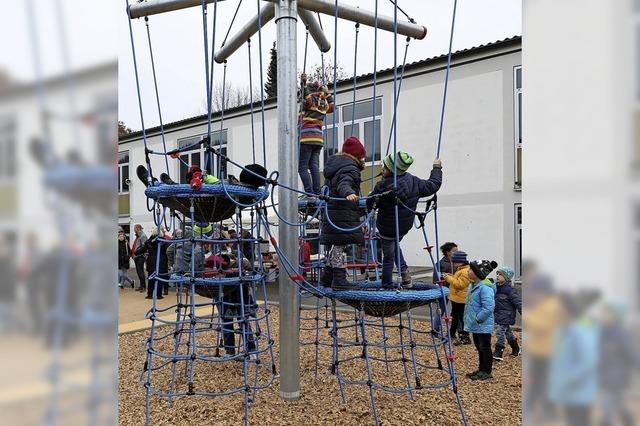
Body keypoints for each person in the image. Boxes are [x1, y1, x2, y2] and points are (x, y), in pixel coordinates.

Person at [367, 151, 442, 289]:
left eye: (385, 167)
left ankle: (386, 285)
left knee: (388, 256)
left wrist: (371, 195)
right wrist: (436, 168)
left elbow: (370, 204)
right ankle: (404, 272)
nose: (382, 169)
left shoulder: (382, 187)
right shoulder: (414, 181)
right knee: (395, 245)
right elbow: (434, 184)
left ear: (392, 170)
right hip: (404, 227)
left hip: (387, 229)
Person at [319, 137, 366, 291]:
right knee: (340, 246)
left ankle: (327, 276)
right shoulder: (350, 167)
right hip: (342, 213)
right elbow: (344, 183)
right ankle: (339, 279)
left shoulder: (335, 165)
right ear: (356, 156)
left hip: (334, 212)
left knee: (336, 245)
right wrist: (349, 193)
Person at [599, 301, 639, 426]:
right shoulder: (601, 333)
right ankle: (628, 420)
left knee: (607, 409)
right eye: (603, 312)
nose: (603, 316)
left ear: (616, 316)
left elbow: (632, 354)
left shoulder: (622, 334)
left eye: (607, 313)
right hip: (605, 377)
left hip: (618, 378)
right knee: (619, 405)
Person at [298, 74, 334, 197]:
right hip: (318, 139)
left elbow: (307, 100)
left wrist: (303, 84)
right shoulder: (323, 103)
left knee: (302, 167)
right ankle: (317, 192)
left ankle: (309, 193)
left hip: (307, 137)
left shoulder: (310, 101)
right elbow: (332, 107)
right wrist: (328, 94)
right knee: (314, 165)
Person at [463, 259, 498, 380]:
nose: (468, 271)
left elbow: (488, 307)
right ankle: (481, 369)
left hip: (482, 325)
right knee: (479, 347)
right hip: (475, 324)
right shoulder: (473, 285)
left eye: (471, 269)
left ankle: (487, 372)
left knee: (485, 347)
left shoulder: (485, 288)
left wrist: (478, 319)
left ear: (478, 273)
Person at [492, 266, 522, 360]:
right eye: (497, 274)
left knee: (500, 332)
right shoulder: (496, 288)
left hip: (507, 315)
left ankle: (498, 351)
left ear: (506, 278)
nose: (497, 276)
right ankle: (515, 348)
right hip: (499, 315)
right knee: (508, 333)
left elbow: (518, 302)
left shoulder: (510, 290)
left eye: (500, 274)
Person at [442, 250, 472, 345]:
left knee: (462, 318)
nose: (453, 263)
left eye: (454, 261)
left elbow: (460, 284)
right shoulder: (461, 269)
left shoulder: (465, 271)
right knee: (454, 317)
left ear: (461, 261)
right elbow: (457, 279)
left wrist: (448, 278)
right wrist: (451, 276)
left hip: (461, 300)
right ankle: (451, 333)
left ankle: (465, 336)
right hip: (456, 299)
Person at [138, 230, 169, 299]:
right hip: (161, 261)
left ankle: (149, 295)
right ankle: (159, 295)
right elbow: (168, 251)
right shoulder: (164, 241)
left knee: (151, 277)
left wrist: (136, 252)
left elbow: (141, 250)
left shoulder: (149, 241)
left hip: (151, 261)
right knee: (160, 278)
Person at [131, 224, 148, 292]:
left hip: (140, 256)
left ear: (138, 228)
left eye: (134, 228)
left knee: (141, 272)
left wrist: (137, 252)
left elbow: (144, 246)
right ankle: (141, 286)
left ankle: (143, 287)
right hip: (137, 256)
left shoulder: (143, 236)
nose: (134, 230)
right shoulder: (138, 236)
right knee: (138, 272)